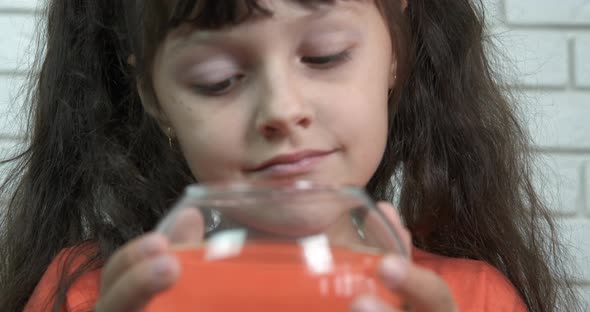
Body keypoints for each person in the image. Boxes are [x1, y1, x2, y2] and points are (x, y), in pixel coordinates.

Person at [0, 0, 581, 311]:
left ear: (395, 52)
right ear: (154, 96)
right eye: (217, 78)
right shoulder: (87, 296)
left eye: (326, 55)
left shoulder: (476, 301)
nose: (282, 108)